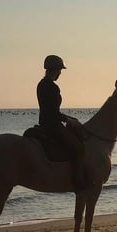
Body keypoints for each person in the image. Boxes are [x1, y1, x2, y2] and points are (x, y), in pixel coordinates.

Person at [36, 54, 87, 190]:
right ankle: (78, 181)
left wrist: (69, 118)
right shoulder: (52, 87)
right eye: (59, 70)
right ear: (54, 70)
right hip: (53, 126)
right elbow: (53, 112)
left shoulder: (41, 84)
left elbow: (50, 110)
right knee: (79, 149)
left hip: (44, 124)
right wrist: (68, 119)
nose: (60, 73)